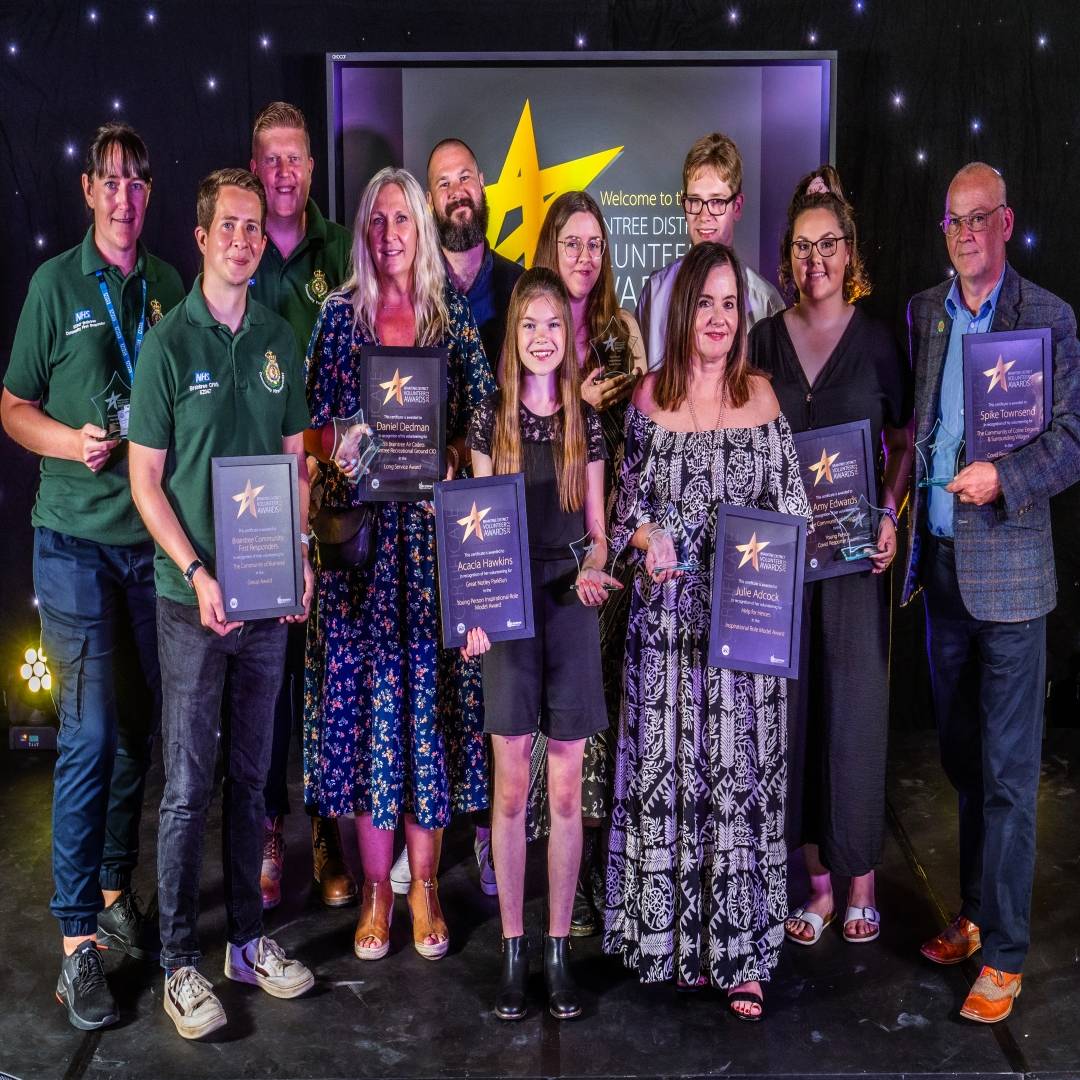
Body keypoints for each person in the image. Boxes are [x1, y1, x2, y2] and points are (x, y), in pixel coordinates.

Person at [1, 123, 184, 1031]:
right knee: (88, 732)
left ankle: (115, 889)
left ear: (149, 193)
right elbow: (11, 407)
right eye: (109, 181)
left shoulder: (168, 288)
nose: (123, 196)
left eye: (136, 181)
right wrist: (72, 442)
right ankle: (77, 944)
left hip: (148, 543)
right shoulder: (53, 286)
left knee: (140, 732)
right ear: (87, 191)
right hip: (71, 541)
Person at [128, 168, 315, 1040]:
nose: (243, 240)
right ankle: (177, 965)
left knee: (252, 780)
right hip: (191, 602)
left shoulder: (279, 336)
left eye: (251, 228)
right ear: (200, 239)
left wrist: (302, 554)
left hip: (268, 605)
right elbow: (146, 482)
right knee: (187, 785)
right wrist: (199, 574)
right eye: (227, 228)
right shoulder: (169, 345)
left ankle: (247, 941)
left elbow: (295, 461)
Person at [603, 241, 811, 1021]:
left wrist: (752, 562)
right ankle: (681, 946)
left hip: (743, 645)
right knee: (673, 785)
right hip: (664, 637)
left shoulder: (763, 399)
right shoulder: (648, 401)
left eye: (732, 304)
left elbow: (793, 517)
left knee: (736, 789)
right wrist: (648, 540)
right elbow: (622, 516)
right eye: (708, 302)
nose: (720, 318)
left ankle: (742, 955)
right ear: (684, 308)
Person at [303, 166, 495, 964]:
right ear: (363, 231)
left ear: (421, 228)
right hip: (357, 559)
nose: (389, 236)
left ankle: (424, 890)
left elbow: (482, 425)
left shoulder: (450, 322)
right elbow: (306, 429)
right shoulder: (335, 320)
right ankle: (375, 890)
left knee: (428, 723)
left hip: (429, 557)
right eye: (377, 222)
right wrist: (334, 442)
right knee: (366, 726)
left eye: (402, 221)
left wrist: (455, 462)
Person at [903, 162, 1080, 1023]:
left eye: (979, 220)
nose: (965, 234)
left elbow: (1073, 441)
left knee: (1010, 775)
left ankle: (1006, 954)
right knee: (963, 763)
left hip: (1011, 578)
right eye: (952, 222)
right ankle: (974, 915)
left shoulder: (1048, 317)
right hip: (939, 570)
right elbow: (921, 429)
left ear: (1006, 224)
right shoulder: (927, 315)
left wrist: (1000, 477)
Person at [749, 172, 913, 948]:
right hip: (781, 568)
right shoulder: (761, 341)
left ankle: (861, 881)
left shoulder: (878, 342)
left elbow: (906, 439)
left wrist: (889, 508)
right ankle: (814, 884)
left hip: (851, 567)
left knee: (852, 714)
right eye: (802, 246)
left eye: (829, 244)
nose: (815, 258)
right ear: (788, 256)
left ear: (850, 252)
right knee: (797, 718)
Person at [462, 267, 617, 1021]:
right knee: (512, 786)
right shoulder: (491, 418)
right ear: (513, 336)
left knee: (563, 792)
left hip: (569, 609)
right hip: (508, 611)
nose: (543, 337)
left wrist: (595, 567)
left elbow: (597, 534)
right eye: (529, 325)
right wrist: (473, 612)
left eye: (554, 324)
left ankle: (560, 951)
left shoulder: (586, 421)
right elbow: (477, 535)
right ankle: (514, 947)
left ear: (569, 334)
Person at [248, 100, 356, 912]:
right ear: (256, 167)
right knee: (265, 680)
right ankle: (268, 827)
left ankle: (326, 829)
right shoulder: (237, 245)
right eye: (272, 159)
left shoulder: (341, 251)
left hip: (327, 495)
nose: (285, 174)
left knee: (318, 676)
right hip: (251, 498)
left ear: (313, 169)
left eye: (297, 159)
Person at [530, 190, 646, 935]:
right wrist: (575, 395)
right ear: (550, 249)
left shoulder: (621, 330)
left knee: (601, 713)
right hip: (544, 551)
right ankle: (551, 892)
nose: (584, 257)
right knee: (550, 725)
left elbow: (640, 435)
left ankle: (600, 875)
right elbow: (518, 426)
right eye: (571, 243)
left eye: (594, 245)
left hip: (605, 547)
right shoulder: (529, 330)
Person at [636, 132, 783, 370]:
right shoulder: (655, 292)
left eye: (716, 202)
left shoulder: (764, 301)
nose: (704, 216)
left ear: (737, 206)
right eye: (695, 200)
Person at [427, 137, 524, 368]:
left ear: (481, 182)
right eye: (443, 183)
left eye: (464, 178)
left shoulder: (520, 286)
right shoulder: (412, 288)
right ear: (429, 201)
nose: (456, 192)